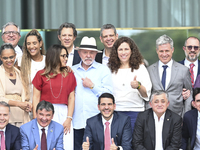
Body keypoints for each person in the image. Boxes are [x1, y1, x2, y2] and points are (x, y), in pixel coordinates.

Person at [72, 36, 113, 150]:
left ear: (96, 54)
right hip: (77, 122)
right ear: (79, 53)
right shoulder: (72, 70)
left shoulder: (103, 70)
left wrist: (92, 86)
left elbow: (109, 95)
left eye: (91, 53)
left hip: (97, 122)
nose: (88, 55)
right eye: (85, 52)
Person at [32, 44, 76, 150]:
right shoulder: (40, 74)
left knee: (66, 143)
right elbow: (35, 98)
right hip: (44, 113)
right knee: (45, 143)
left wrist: (69, 118)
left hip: (64, 113)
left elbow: (71, 98)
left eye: (66, 56)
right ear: (54, 56)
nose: (66, 58)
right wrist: (35, 118)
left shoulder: (69, 74)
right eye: (63, 56)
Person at [107, 37, 152, 131]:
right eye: (120, 49)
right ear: (116, 51)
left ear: (132, 51)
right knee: (117, 144)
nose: (123, 52)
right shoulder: (109, 69)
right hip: (116, 113)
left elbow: (146, 95)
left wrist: (138, 86)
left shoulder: (140, 68)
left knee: (135, 143)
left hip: (136, 112)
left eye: (126, 49)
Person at [147, 34, 192, 116]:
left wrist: (185, 115)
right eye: (161, 51)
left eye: (167, 51)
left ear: (172, 50)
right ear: (157, 50)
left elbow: (189, 94)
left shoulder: (183, 70)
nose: (164, 54)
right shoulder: (149, 70)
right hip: (154, 116)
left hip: (177, 116)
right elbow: (147, 95)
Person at [15, 29, 46, 119]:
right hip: (26, 108)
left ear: (40, 44)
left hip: (44, 108)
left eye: (34, 43)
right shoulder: (20, 61)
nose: (31, 46)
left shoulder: (47, 61)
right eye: (28, 44)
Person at [0, 43, 31, 127]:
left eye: (11, 57)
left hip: (22, 118)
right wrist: (19, 104)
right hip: (4, 118)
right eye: (5, 58)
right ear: (0, 58)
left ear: (15, 56)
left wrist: (27, 104)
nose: (9, 60)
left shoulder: (20, 73)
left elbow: (26, 96)